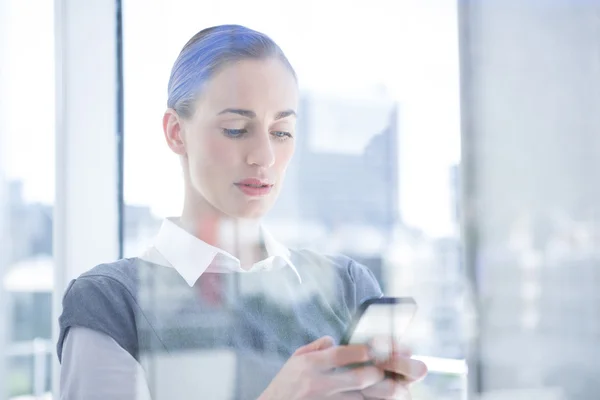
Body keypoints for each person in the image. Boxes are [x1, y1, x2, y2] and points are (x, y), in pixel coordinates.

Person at [57, 24, 428, 400]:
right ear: (175, 132)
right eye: (236, 129)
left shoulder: (347, 287)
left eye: (281, 132)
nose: (264, 156)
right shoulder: (110, 303)